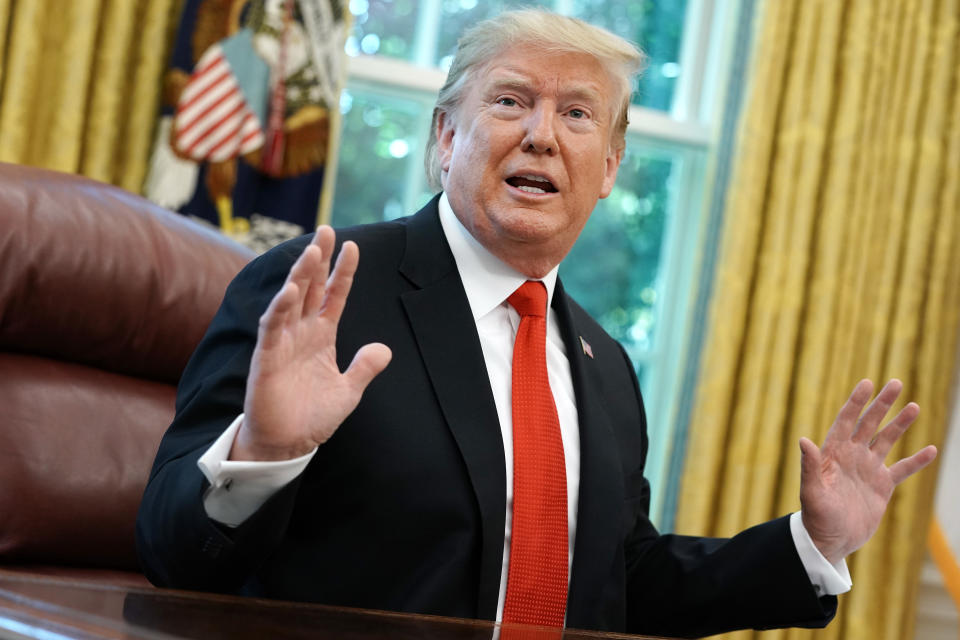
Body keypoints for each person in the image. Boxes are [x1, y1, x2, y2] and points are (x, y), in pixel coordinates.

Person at [136, 9, 937, 638]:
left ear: (611, 169)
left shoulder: (605, 366)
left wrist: (812, 543)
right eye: (511, 101)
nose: (542, 135)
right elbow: (171, 552)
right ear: (445, 138)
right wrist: (265, 453)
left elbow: (620, 588)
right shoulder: (319, 293)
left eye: (578, 114)